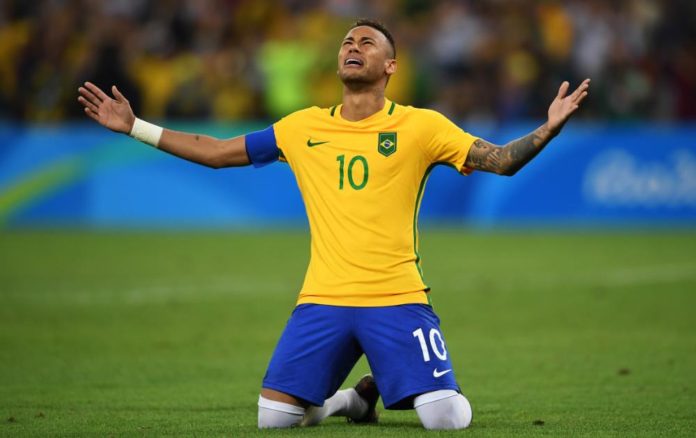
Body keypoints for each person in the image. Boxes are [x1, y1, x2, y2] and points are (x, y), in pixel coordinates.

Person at [78, 18, 590, 430]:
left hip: (396, 297)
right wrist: (135, 127)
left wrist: (546, 129)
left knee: (445, 418)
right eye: (347, 41)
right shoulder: (302, 127)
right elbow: (216, 152)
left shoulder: (421, 126)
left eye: (367, 42)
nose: (353, 45)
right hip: (322, 298)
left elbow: (500, 160)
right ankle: (353, 399)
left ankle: (394, 386)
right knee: (272, 420)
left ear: (390, 65)